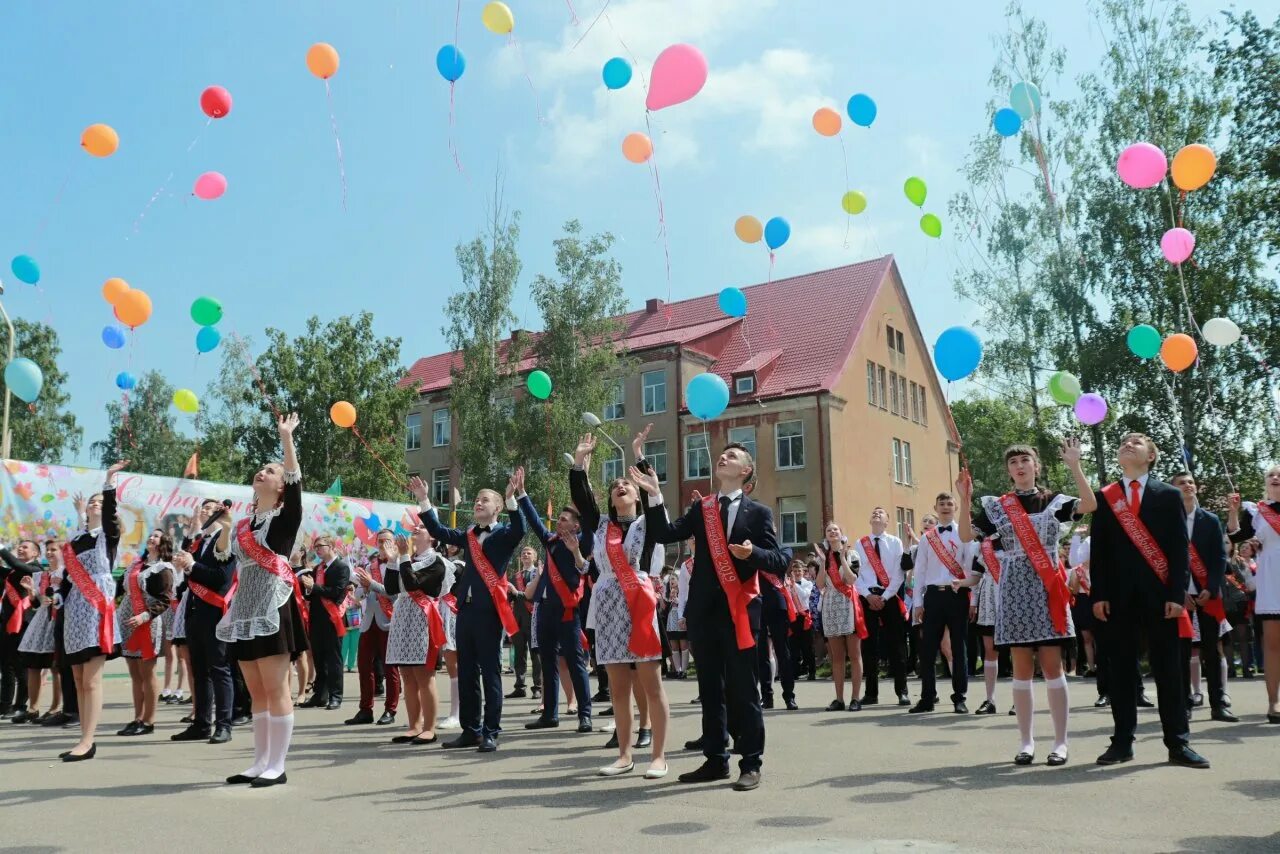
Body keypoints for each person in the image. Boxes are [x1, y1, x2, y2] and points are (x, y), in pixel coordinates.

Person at [640, 440, 787, 792]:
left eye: (733, 456)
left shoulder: (759, 513)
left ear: (745, 471)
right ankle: (715, 759)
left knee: (742, 690)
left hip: (738, 613)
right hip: (704, 614)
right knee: (709, 689)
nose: (724, 457)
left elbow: (780, 561)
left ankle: (750, 762)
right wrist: (655, 496)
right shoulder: (701, 508)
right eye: (723, 454)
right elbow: (663, 533)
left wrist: (753, 553)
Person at [958, 439, 1094, 766]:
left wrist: (1075, 466)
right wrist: (964, 500)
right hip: (1015, 586)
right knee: (1021, 668)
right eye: (1014, 462)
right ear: (1009, 471)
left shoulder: (1053, 501)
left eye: (1025, 460)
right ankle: (1026, 742)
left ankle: (1060, 743)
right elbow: (965, 536)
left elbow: (1090, 504)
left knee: (1051, 665)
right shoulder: (997, 506)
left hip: (1047, 586)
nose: (1020, 466)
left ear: (1036, 466)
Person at [1090, 433, 1209, 768]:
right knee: (1122, 673)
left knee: (1169, 671)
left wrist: (1176, 594)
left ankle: (1178, 744)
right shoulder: (1106, 497)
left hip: (1161, 598)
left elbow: (1178, 550)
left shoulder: (1168, 495)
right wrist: (1098, 594)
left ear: (1151, 456)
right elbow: (1098, 552)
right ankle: (1122, 742)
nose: (1128, 444)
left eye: (1137, 442)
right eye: (1124, 441)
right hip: (1117, 599)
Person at [215, 413, 308, 788]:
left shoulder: (285, 519)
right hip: (246, 608)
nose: (263, 473)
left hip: (272, 605)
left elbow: (296, 483)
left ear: (280, 486)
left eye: (270, 471)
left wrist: (286, 439)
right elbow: (225, 557)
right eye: (261, 469)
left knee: (275, 687)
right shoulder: (244, 525)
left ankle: (278, 765)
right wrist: (220, 531)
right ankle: (258, 761)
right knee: (255, 691)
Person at [573, 431, 670, 778]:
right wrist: (581, 462)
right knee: (617, 686)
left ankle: (658, 755)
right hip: (610, 604)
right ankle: (624, 754)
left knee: (650, 682)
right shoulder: (601, 526)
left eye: (626, 485)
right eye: (615, 487)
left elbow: (654, 499)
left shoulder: (648, 524)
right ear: (611, 500)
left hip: (640, 603)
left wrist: (640, 457)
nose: (621, 487)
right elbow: (582, 500)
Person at [410, 467, 526, 753]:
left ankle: (490, 731)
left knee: (490, 673)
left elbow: (522, 529)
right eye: (476, 499)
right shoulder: (469, 535)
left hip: (489, 613)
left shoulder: (505, 533)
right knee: (467, 673)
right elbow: (438, 531)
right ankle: (470, 730)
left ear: (497, 507)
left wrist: (514, 499)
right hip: (466, 611)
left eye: (485, 499)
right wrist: (424, 500)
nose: (478, 502)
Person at [56, 460, 130, 761]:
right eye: (93, 502)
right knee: (77, 680)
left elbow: (111, 514)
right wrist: (58, 597)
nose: (97, 504)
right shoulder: (75, 540)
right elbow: (67, 577)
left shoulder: (107, 536)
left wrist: (109, 480)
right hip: (75, 609)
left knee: (91, 680)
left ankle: (88, 740)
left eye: (101, 502)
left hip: (97, 609)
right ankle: (82, 738)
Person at [516, 487, 594, 736]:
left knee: (575, 664)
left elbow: (591, 523)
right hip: (545, 610)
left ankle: (585, 715)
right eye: (559, 518)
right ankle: (549, 714)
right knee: (547, 663)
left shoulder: (582, 542)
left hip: (567, 612)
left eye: (564, 519)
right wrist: (522, 495)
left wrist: (585, 490)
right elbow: (534, 520)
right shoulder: (550, 541)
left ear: (576, 526)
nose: (558, 521)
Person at [1168, 472, 1238, 724]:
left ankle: (1218, 704)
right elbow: (1165, 560)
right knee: (1183, 651)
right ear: (1172, 490)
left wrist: (1210, 586)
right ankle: (1185, 703)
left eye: (1191, 483)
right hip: (1180, 596)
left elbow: (1220, 557)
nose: (1188, 486)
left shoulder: (1209, 519)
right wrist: (1178, 591)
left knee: (1212, 648)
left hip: (1208, 594)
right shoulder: (1168, 520)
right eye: (1181, 483)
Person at [171, 498, 237, 744]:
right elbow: (189, 567)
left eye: (210, 508)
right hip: (194, 612)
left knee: (219, 669)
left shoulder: (225, 540)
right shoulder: (200, 542)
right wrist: (188, 565)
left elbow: (221, 578)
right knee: (198, 672)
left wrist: (192, 566)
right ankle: (201, 724)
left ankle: (224, 725)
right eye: (203, 508)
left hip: (214, 613)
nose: (205, 512)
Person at [911, 492, 977, 715]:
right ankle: (927, 697)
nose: (946, 507)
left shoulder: (964, 533)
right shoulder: (928, 538)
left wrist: (973, 600)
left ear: (956, 506)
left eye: (950, 503)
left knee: (959, 648)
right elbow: (919, 571)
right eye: (942, 504)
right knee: (928, 649)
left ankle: (960, 697)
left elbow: (971, 567)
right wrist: (917, 603)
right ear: (935, 507)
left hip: (957, 594)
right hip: (933, 596)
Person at [384, 525, 449, 745]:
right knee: (407, 675)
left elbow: (413, 585)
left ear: (432, 536)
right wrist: (394, 560)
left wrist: (402, 556)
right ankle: (414, 726)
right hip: (403, 616)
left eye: (422, 527)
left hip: (422, 617)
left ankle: (429, 728)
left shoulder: (437, 562)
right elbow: (392, 588)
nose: (416, 528)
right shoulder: (408, 559)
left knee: (424, 675)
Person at [1226, 466, 1280, 724]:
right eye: (1271, 475)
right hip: (1271, 579)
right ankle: (1273, 703)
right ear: (1266, 482)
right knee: (1272, 644)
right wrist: (1234, 511)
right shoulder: (1258, 512)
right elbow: (1235, 535)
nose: (1276, 478)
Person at [116, 529, 176, 737]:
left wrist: (144, 616)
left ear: (164, 542)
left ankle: (149, 721)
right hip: (127, 622)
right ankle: (137, 717)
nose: (152, 537)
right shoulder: (136, 565)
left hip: (145, 623)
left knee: (147, 673)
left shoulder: (163, 568)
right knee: (134, 674)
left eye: (157, 536)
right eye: (151, 535)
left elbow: (164, 600)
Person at [851, 507, 913, 706]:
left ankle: (902, 691)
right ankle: (871, 693)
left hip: (890, 596)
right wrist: (868, 595)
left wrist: (884, 597)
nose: (876, 513)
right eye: (874, 512)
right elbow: (856, 575)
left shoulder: (895, 542)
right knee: (869, 647)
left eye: (881, 512)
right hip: (867, 597)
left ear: (887, 521)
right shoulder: (860, 544)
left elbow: (898, 574)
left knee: (897, 645)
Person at [348, 530, 401, 726]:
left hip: (388, 621)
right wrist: (363, 588)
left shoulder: (398, 565)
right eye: (380, 541)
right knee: (364, 667)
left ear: (394, 543)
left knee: (390, 669)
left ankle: (390, 709)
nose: (382, 544)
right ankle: (365, 709)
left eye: (387, 540)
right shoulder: (370, 566)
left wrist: (373, 584)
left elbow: (395, 594)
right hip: (368, 621)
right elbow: (361, 594)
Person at [815, 523, 865, 711]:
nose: (833, 532)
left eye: (836, 529)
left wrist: (843, 558)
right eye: (829, 530)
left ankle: (855, 698)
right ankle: (839, 699)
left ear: (841, 534)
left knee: (854, 654)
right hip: (830, 606)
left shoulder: (852, 554)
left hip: (848, 605)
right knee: (836, 657)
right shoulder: (824, 558)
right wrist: (821, 563)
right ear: (826, 537)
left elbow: (851, 580)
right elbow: (820, 585)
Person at [300, 535, 350, 711]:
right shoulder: (317, 569)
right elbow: (311, 594)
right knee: (319, 659)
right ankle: (319, 695)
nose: (317, 549)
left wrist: (313, 587)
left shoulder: (341, 567)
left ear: (331, 546)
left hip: (333, 618)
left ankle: (336, 695)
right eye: (315, 546)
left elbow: (336, 593)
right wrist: (307, 588)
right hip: (317, 619)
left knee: (334, 659)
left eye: (320, 546)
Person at [17, 541, 63, 723]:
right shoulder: (40, 575)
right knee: (33, 665)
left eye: (54, 549)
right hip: (42, 622)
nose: (50, 553)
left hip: (58, 621)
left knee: (56, 667)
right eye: (48, 550)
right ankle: (33, 708)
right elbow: (36, 604)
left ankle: (55, 707)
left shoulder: (65, 574)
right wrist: (32, 593)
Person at [1, 539, 41, 720]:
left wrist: (1, 548)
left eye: (25, 547)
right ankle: (5, 705)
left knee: (21, 667)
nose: (20, 549)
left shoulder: (35, 569)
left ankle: (22, 706)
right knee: (6, 665)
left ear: (35, 554)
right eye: (19, 546)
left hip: (24, 624)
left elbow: (14, 563)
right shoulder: (14, 571)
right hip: (7, 624)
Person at [506, 546, 541, 701]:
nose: (525, 555)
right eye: (523, 553)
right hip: (518, 620)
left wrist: (516, 592)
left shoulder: (538, 575)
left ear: (534, 557)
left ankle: (537, 687)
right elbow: (510, 599)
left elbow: (534, 596)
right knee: (519, 655)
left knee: (536, 655)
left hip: (534, 619)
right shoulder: (515, 577)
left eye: (529, 553)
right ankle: (520, 686)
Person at [437, 543, 463, 730]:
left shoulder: (461, 564)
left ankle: (457, 714)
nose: (450, 546)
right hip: (441, 612)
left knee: (455, 664)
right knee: (450, 664)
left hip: (454, 614)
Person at [785, 557, 815, 682]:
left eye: (799, 571)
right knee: (793, 646)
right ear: (791, 571)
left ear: (803, 572)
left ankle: (812, 671)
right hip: (793, 616)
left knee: (807, 646)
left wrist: (793, 585)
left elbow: (804, 595)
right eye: (795, 571)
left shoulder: (808, 583)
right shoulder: (787, 583)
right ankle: (795, 672)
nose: (797, 573)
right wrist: (790, 584)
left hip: (804, 617)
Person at [668, 547, 693, 679]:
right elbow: (664, 606)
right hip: (673, 619)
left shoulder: (683, 589)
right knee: (674, 644)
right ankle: (677, 669)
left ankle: (684, 669)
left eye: (674, 579)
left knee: (684, 644)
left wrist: (677, 600)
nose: (672, 582)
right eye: (670, 580)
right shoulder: (669, 591)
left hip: (683, 614)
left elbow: (683, 597)